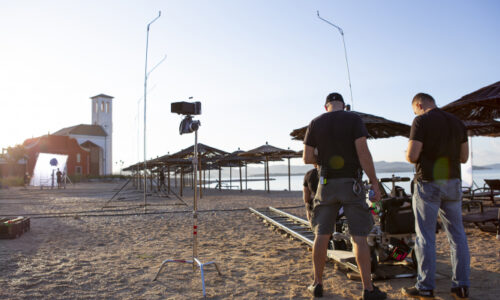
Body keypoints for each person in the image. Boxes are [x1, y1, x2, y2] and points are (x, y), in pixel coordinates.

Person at [303, 92, 385, 299]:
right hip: (351, 183)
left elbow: (307, 157)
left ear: (326, 106)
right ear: (344, 105)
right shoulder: (353, 119)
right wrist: (375, 182)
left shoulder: (315, 123)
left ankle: (317, 283)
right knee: (359, 237)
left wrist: (323, 160)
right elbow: (363, 153)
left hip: (326, 183)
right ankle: (368, 288)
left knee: (321, 236)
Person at [402, 93, 470, 300]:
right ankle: (461, 287)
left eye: (415, 109)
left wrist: (407, 153)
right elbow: (464, 157)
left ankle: (425, 287)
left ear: (419, 105)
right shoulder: (458, 123)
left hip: (429, 182)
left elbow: (413, 156)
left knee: (425, 237)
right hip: (452, 182)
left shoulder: (421, 120)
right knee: (457, 236)